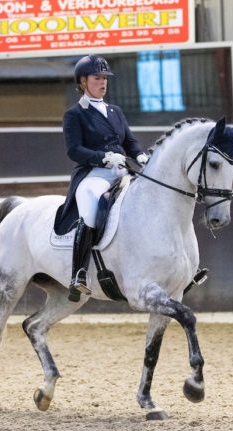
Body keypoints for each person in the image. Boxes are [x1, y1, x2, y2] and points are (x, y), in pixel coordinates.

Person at [53, 54, 150, 302]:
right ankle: (79, 274)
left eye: (105, 78)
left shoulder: (115, 111)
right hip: (94, 174)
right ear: (83, 81)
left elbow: (128, 140)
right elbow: (74, 150)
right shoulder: (75, 114)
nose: (103, 82)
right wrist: (103, 157)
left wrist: (139, 155)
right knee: (89, 203)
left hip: (122, 171)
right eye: (97, 77)